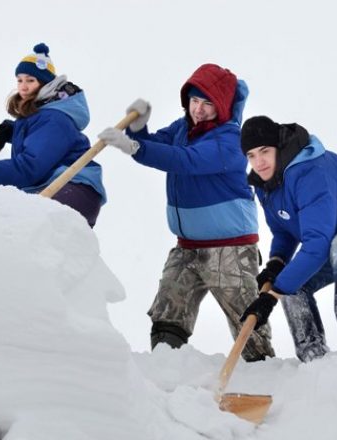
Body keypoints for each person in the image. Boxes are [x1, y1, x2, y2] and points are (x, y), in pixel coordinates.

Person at [97, 64, 274, 361]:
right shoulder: (183, 128)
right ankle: (169, 374)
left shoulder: (230, 140)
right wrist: (138, 129)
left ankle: (264, 383)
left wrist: (135, 147)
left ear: (221, 107)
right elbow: (156, 145)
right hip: (187, 247)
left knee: (249, 326)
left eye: (208, 104)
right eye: (194, 101)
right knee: (168, 311)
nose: (199, 110)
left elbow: (184, 160)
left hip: (230, 249)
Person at [238, 116, 337, 362]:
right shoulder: (265, 185)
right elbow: (284, 231)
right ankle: (314, 359)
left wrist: (271, 296)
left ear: (278, 147)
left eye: (264, 151)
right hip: (333, 231)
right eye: (251, 155)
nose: (259, 162)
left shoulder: (309, 172)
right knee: (293, 282)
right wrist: (276, 264)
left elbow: (317, 245)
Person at [0, 43, 106, 228]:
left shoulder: (55, 119)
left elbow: (30, 167)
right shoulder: (40, 115)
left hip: (73, 188)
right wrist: (11, 130)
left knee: (24, 229)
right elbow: (37, 136)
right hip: (51, 185)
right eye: (19, 80)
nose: (23, 87)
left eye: (30, 80)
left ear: (44, 83)